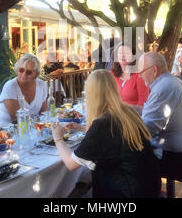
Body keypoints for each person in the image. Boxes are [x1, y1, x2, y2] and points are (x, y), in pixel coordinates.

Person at [51, 69, 161, 198]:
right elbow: (115, 137)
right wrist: (81, 128)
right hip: (148, 186)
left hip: (124, 192)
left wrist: (58, 139)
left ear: (91, 94)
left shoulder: (102, 124)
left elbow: (71, 164)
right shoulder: (127, 111)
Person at [138, 52, 182, 177]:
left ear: (154, 70)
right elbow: (150, 113)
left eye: (141, 72)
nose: (139, 76)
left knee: (122, 157)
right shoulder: (171, 81)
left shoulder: (165, 86)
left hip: (176, 157)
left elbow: (147, 130)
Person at [0, 53, 47, 126]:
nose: (24, 74)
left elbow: (43, 113)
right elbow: (16, 118)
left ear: (36, 73)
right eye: (21, 70)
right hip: (8, 131)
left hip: (33, 130)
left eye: (29, 72)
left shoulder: (42, 85)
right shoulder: (10, 86)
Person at [110, 43, 149, 108]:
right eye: (120, 53)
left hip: (133, 115)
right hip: (115, 114)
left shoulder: (139, 76)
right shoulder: (111, 74)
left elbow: (143, 103)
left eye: (126, 53)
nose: (123, 56)